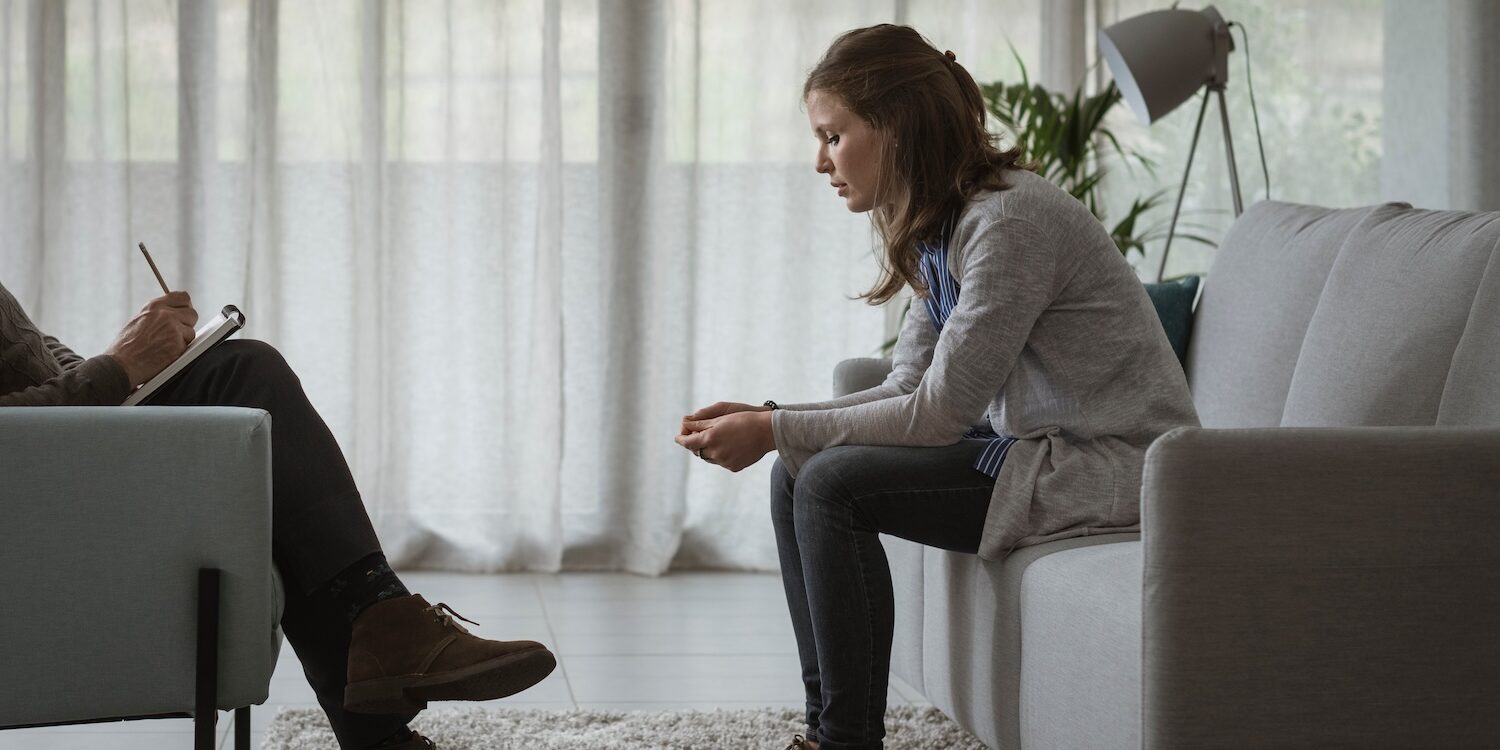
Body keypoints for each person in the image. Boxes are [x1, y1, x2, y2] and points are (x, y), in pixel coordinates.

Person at [675, 24, 1199, 750]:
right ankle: (826, 728)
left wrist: (774, 430)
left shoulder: (1009, 221)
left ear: (892, 126)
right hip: (1028, 446)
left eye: (833, 135)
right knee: (797, 477)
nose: (819, 160)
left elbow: (936, 415)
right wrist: (776, 418)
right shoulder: (940, 226)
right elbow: (907, 383)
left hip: (1100, 463)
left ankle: (845, 742)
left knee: (829, 484)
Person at [0, 283, 558, 750]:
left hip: (63, 473)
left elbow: (48, 366)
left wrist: (142, 363)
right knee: (247, 370)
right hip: (41, 506)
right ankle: (386, 646)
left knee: (246, 410)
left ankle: (384, 671)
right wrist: (120, 365)